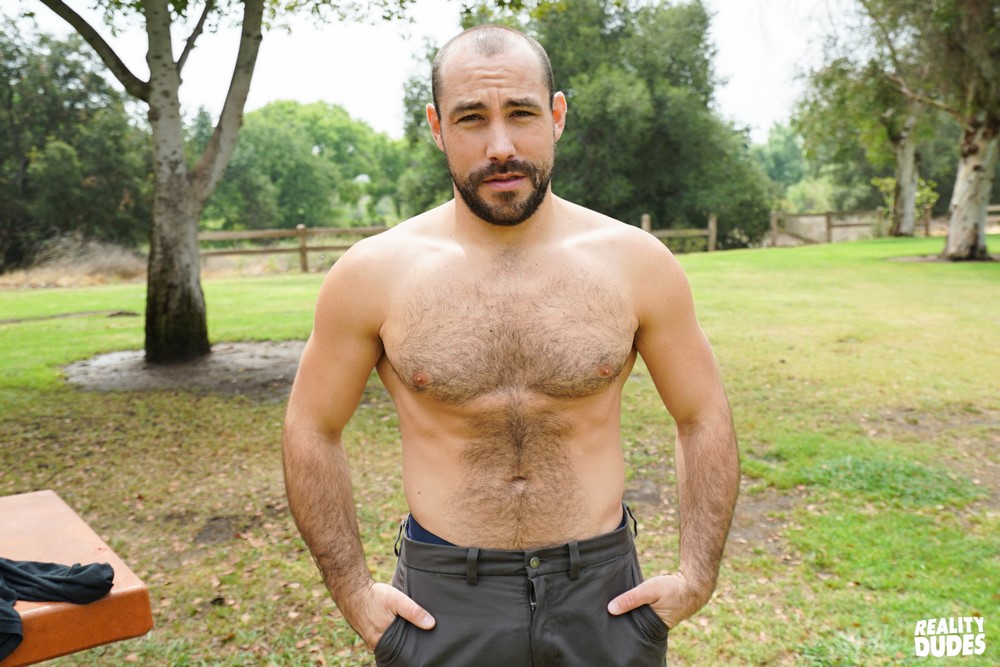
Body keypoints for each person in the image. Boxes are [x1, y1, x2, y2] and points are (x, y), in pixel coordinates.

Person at [283, 24, 739, 666]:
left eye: (521, 113)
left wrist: (697, 575)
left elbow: (702, 415)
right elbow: (311, 428)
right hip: (444, 602)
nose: (501, 146)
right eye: (471, 118)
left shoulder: (636, 263)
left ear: (556, 116)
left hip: (604, 598)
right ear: (437, 127)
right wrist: (353, 592)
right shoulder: (373, 274)